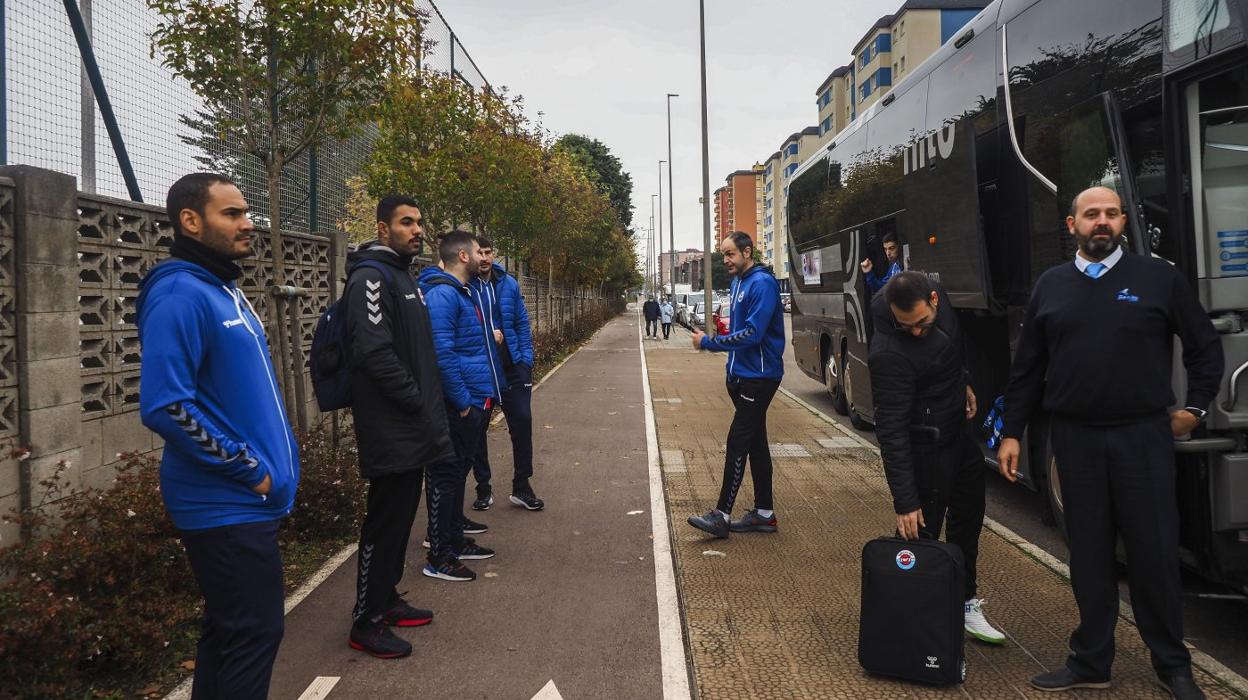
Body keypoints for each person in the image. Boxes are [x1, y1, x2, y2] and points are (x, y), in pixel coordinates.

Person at [997, 187, 1223, 700]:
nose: (1102, 222)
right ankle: (1091, 661)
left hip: (1142, 437)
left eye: (1111, 214)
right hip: (1073, 439)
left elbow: (1205, 348)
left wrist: (1197, 409)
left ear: (1123, 222)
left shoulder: (1158, 278)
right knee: (1090, 556)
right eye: (1091, 214)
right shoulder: (1050, 287)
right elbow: (1028, 369)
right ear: (1071, 225)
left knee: (1154, 554)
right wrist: (1011, 432)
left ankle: (1172, 665)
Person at [138, 173, 299, 699]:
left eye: (246, 212)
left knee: (230, 632)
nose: (248, 224)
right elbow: (166, 404)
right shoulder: (179, 293)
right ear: (191, 220)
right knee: (254, 634)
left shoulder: (222, 288)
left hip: (243, 506)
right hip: (223, 504)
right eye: (232, 214)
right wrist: (248, 469)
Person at [867, 271, 1006, 646]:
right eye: (905, 325)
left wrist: (964, 382)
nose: (914, 331)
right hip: (925, 447)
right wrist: (905, 500)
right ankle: (905, 627)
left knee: (968, 523)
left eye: (921, 323)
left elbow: (952, 344)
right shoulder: (888, 353)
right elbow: (891, 430)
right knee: (918, 537)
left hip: (959, 438)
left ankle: (964, 603)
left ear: (934, 299)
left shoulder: (936, 293)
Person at [343, 196, 454, 658]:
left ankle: (386, 601)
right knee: (383, 523)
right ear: (382, 228)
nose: (417, 229)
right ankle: (365, 620)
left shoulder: (403, 275)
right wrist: (413, 400)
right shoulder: (370, 277)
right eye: (406, 222)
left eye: (419, 221)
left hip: (415, 425)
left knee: (402, 520)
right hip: (392, 425)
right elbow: (373, 352)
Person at [419, 231, 506, 581]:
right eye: (476, 250)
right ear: (464, 256)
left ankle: (455, 538)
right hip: (462, 402)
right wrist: (464, 403)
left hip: (475, 396)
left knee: (457, 473)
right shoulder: (443, 295)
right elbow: (443, 354)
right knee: (446, 476)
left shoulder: (460, 292)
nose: (484, 256)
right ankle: (439, 555)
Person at [687, 232, 785, 538]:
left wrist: (711, 343)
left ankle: (722, 516)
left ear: (747, 251)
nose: (726, 260)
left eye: (730, 254)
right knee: (756, 444)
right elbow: (741, 330)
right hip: (743, 376)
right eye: (723, 255)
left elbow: (754, 334)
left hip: (760, 377)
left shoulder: (762, 283)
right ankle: (764, 515)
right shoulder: (738, 282)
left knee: (737, 442)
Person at [469, 235, 544, 512]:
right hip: (482, 371)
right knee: (477, 429)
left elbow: (522, 323)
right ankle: (483, 488)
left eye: (489, 252)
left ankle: (522, 486)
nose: (485, 258)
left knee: (522, 422)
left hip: (513, 368)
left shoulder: (508, 284)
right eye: (480, 253)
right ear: (471, 255)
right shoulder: (464, 285)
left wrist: (525, 359)